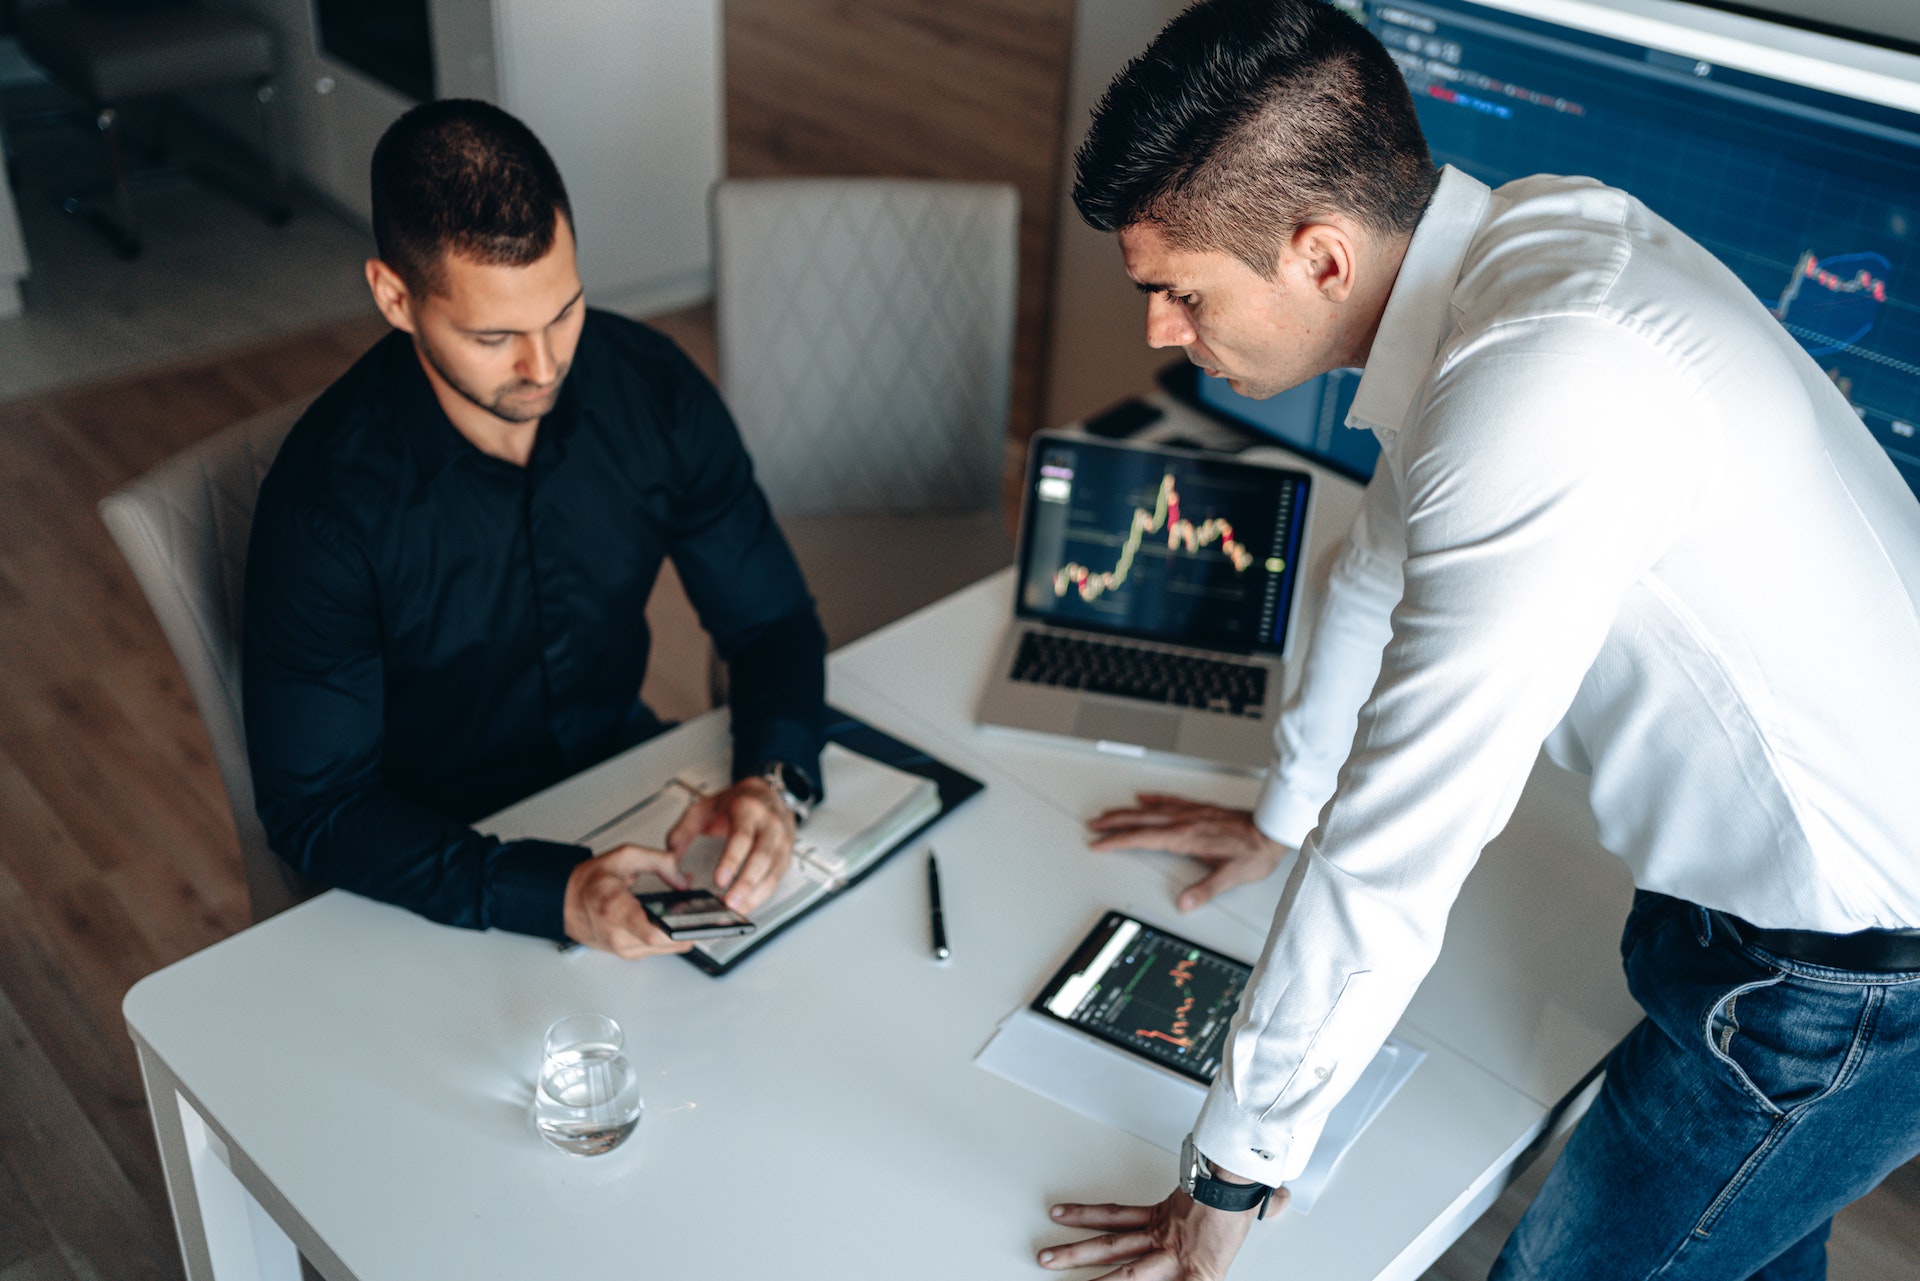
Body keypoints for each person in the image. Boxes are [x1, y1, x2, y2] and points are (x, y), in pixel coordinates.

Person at [1037, 2, 1920, 1278]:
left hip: (1848, 984)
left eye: (1180, 293)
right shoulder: (1518, 248)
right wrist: (1282, 811)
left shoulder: (1542, 384)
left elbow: (1399, 846)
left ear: (1320, 259)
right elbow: (1372, 572)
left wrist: (1235, 1164)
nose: (1162, 335)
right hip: (1781, 914)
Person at [244, 100, 827, 959]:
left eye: (563, 311)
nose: (544, 366)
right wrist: (550, 893)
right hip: (434, 865)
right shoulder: (325, 509)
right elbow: (319, 809)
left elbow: (770, 620)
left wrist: (772, 783)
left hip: (627, 787)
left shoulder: (651, 390)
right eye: (494, 335)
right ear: (395, 297)